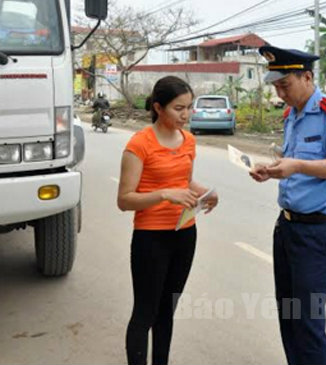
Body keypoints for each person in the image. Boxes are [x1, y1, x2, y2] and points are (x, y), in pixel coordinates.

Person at [250, 45, 326, 365]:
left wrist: (296, 166)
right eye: (275, 86)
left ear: (308, 77)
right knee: (289, 314)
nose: (280, 93)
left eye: (285, 85)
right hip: (287, 226)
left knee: (308, 319)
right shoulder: (292, 115)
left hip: (318, 232)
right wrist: (272, 169)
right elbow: (294, 161)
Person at [117, 76, 218, 365]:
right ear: (159, 108)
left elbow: (186, 182)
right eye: (178, 108)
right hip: (151, 238)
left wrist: (208, 193)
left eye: (189, 108)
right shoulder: (139, 144)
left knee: (166, 310)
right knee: (145, 312)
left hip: (185, 234)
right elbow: (124, 199)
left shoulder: (189, 140)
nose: (185, 115)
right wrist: (163, 195)